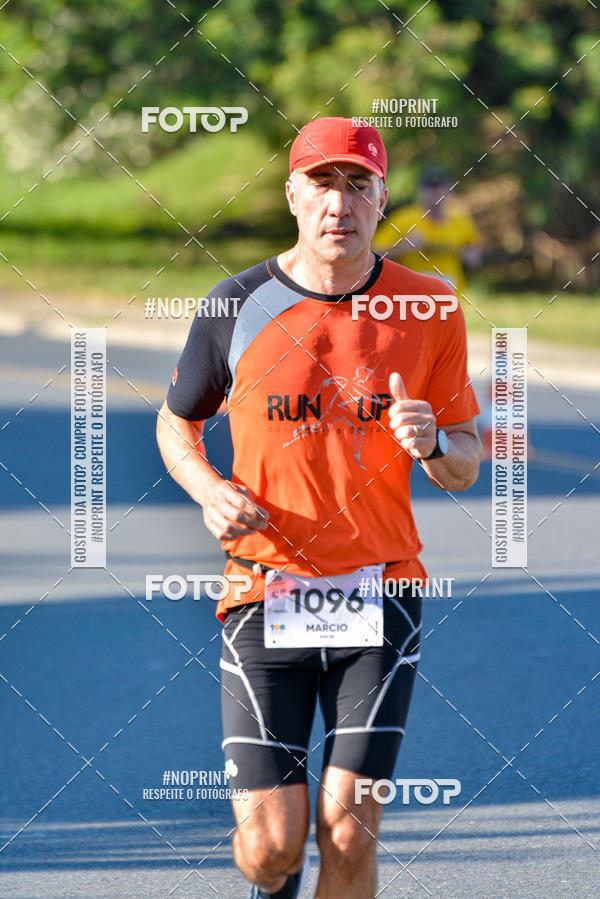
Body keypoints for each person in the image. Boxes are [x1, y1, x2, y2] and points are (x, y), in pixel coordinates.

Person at [156, 116, 482, 899]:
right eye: (324, 182)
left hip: (383, 590)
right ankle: (273, 871)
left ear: (381, 199)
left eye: (358, 184)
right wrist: (210, 490)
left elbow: (464, 467)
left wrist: (433, 441)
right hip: (263, 590)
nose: (340, 201)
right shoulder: (235, 303)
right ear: (293, 194)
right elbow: (177, 422)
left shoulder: (432, 306)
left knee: (347, 829)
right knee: (272, 849)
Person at [375, 165, 481, 297]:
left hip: (451, 297)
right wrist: (402, 247)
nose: (435, 193)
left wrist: (470, 254)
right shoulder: (403, 219)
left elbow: (474, 251)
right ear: (420, 192)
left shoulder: (460, 220)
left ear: (449, 191)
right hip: (413, 297)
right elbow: (374, 255)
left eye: (440, 187)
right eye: (430, 188)